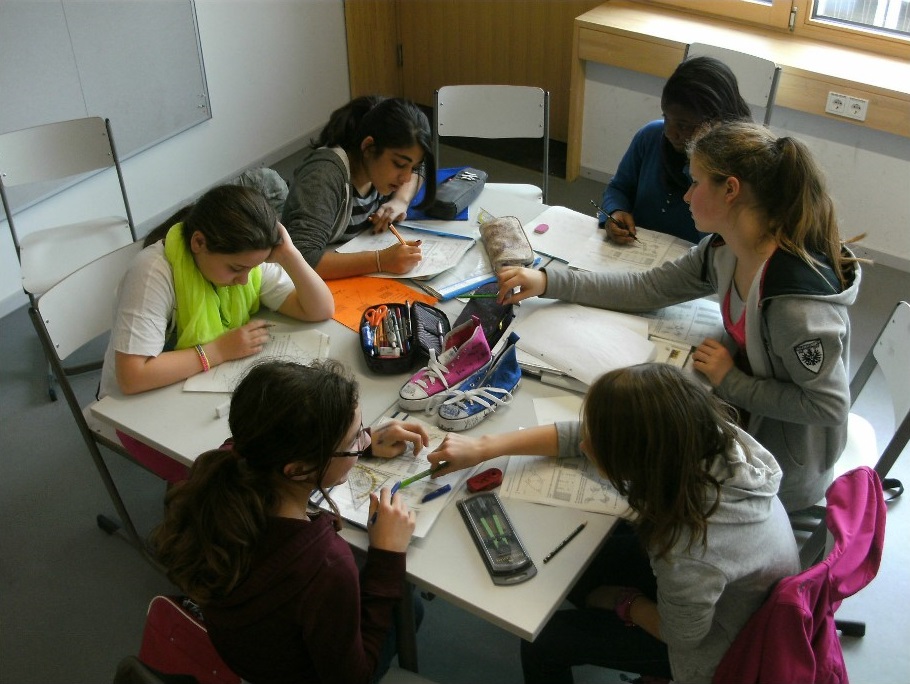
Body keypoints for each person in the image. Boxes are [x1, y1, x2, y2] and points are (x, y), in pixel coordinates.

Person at [496, 121, 862, 513]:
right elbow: (648, 289)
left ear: (731, 190)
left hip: (777, 471)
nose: (686, 195)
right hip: (740, 420)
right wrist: (549, 281)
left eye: (696, 182)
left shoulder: (795, 306)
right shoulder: (724, 249)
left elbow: (828, 406)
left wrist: (731, 381)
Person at [428, 363, 800, 684]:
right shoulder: (700, 439)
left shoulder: (689, 548)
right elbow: (581, 436)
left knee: (545, 641)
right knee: (580, 570)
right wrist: (484, 448)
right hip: (730, 592)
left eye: (598, 443)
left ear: (635, 460)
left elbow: (681, 636)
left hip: (719, 648)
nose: (585, 445)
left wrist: (624, 602)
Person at [152, 359, 431, 684]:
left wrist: (360, 442)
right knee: (410, 608)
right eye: (354, 440)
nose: (365, 442)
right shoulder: (326, 566)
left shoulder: (221, 469)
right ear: (299, 469)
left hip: (249, 654)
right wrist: (386, 556)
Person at [99, 184, 335, 483]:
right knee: (236, 477)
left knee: (275, 449)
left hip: (201, 392)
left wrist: (289, 255)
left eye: (252, 269)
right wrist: (218, 351)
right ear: (199, 242)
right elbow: (133, 376)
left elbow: (319, 309)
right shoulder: (153, 271)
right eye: (236, 269)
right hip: (136, 411)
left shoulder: (245, 260)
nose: (244, 280)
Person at [599, 56, 752, 244]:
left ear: (717, 123)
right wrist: (615, 211)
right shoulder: (650, 137)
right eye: (666, 118)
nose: (670, 132)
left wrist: (695, 166)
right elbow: (618, 187)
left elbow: (719, 241)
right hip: (636, 248)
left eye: (683, 125)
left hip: (694, 257)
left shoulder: (732, 169)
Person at [282, 95, 437, 279]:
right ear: (369, 147)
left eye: (413, 167)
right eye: (399, 164)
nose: (406, 178)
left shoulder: (375, 167)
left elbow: (420, 166)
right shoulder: (324, 176)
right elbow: (302, 259)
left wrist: (400, 200)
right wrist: (380, 261)